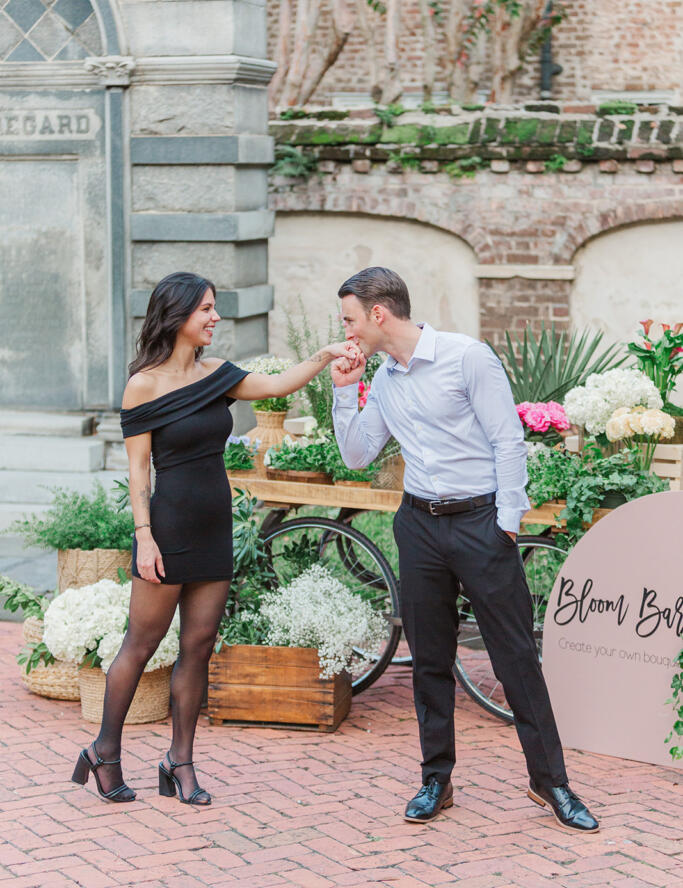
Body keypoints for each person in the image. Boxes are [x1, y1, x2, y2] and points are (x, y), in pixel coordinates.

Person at [72, 271, 359, 805]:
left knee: (198, 648)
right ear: (177, 314)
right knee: (141, 645)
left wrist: (323, 355)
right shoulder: (144, 384)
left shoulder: (218, 375)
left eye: (215, 308)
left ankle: (180, 761)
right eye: (206, 309)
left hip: (213, 530)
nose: (215, 318)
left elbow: (276, 386)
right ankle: (104, 752)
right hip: (167, 532)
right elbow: (139, 474)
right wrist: (145, 538)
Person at [330, 266, 598, 835]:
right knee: (429, 659)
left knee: (515, 657)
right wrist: (339, 392)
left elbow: (508, 438)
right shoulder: (382, 378)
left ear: (379, 314)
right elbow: (356, 455)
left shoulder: (466, 357)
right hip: (419, 527)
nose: (346, 330)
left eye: (350, 319)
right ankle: (437, 779)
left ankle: (551, 783)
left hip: (481, 523)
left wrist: (504, 525)